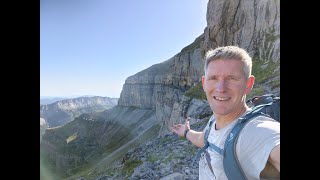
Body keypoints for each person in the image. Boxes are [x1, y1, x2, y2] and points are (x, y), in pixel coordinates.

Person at [171, 46, 280, 179]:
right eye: (213, 78)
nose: (221, 88)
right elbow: (204, 139)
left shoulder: (260, 131)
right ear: (204, 83)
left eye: (232, 78)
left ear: (249, 84)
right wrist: (186, 132)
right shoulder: (213, 121)